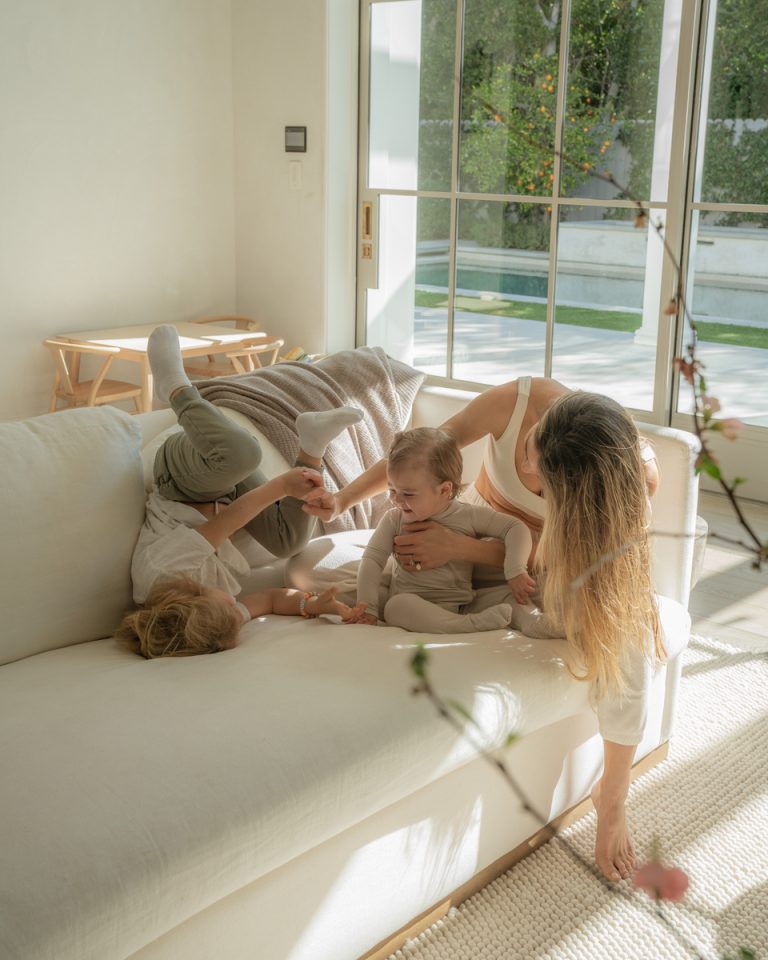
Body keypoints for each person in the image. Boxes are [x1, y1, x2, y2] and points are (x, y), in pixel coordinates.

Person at [303, 376, 662, 884]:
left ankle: (613, 796)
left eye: (536, 475)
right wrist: (341, 502)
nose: (523, 467)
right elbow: (417, 457)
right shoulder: (514, 403)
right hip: (469, 559)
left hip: (532, 572)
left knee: (627, 640)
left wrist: (459, 549)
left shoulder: (629, 481)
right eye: (529, 449)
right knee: (320, 576)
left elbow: (594, 572)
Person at [122, 324, 366, 655]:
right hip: (225, 496)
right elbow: (268, 599)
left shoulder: (162, 576)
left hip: (182, 482)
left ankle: (176, 389)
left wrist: (282, 485)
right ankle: (311, 446)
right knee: (289, 542)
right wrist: (313, 606)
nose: (234, 605)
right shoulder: (212, 620)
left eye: (230, 608)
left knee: (243, 455)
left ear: (192, 598)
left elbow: (225, 525)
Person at [343, 427, 535, 632]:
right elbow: (372, 559)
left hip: (462, 604)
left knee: (510, 596)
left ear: (445, 490)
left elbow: (515, 527)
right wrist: (368, 606)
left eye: (407, 493)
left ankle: (537, 623)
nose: (396, 500)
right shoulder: (394, 520)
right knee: (394, 607)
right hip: (414, 604)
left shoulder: (468, 515)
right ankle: (467, 625)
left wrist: (515, 569)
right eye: (392, 489)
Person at [118, 577, 362, 659]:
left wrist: (312, 604)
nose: (236, 602)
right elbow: (269, 599)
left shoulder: (220, 612)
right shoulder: (221, 620)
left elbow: (271, 598)